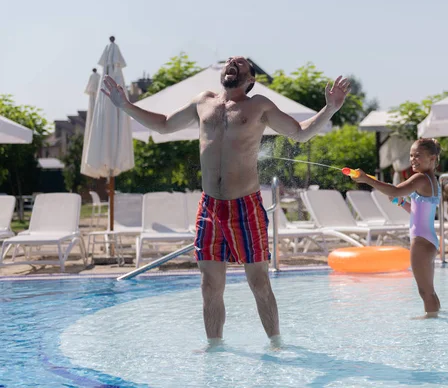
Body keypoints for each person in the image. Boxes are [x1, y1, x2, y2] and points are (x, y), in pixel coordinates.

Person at [101, 56, 350, 345]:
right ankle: (215, 348)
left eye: (241, 63)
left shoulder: (259, 106)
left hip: (246, 206)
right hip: (210, 207)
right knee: (209, 285)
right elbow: (165, 125)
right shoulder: (202, 102)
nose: (233, 63)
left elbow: (301, 133)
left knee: (259, 282)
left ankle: (276, 343)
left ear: (250, 78)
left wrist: (330, 107)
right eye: (230, 61)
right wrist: (126, 106)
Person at [350, 138, 442, 318]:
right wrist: (402, 204)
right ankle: (436, 316)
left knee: (424, 291)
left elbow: (394, 190)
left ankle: (431, 324)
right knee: (429, 290)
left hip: (421, 242)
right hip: (429, 240)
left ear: (432, 158)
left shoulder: (421, 178)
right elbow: (417, 210)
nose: (413, 159)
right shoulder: (431, 180)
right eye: (411, 156)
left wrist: (366, 179)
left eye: (418, 156)